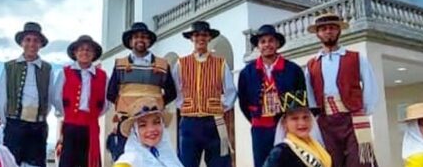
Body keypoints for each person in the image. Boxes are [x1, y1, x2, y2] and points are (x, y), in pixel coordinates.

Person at [304, 13, 378, 167]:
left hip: (353, 118)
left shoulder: (356, 58)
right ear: (317, 34)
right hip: (325, 120)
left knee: (359, 160)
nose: (328, 31)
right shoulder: (312, 64)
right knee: (330, 161)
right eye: (323, 29)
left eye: (332, 28)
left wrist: (364, 110)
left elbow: (370, 84)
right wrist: (315, 114)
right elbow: (309, 92)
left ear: (339, 31)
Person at [106, 22, 177, 161]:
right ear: (131, 41)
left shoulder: (162, 64)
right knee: (126, 157)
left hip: (153, 122)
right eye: (136, 37)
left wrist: (155, 106)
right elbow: (111, 92)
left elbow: (171, 92)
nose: (140, 40)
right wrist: (127, 108)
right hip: (127, 122)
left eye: (144, 37)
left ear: (149, 41)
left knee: (156, 158)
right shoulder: (120, 64)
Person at [238, 24, 306, 167]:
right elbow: (243, 103)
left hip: (287, 128)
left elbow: (302, 101)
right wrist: (256, 119)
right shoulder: (247, 73)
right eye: (263, 41)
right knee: (262, 164)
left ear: (277, 44)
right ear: (258, 46)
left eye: (271, 40)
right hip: (260, 130)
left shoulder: (293, 70)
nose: (267, 44)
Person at [173, 21, 236, 167]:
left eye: (204, 35)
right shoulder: (181, 63)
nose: (201, 38)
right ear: (191, 38)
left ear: (209, 38)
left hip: (213, 122)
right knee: (187, 162)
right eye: (197, 35)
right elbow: (176, 89)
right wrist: (185, 105)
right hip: (189, 122)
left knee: (219, 163)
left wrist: (221, 106)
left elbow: (231, 90)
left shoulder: (220, 63)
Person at [0, 22, 54, 167]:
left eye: (36, 40)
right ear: (22, 43)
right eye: (28, 40)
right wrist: (6, 121)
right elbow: (1, 96)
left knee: (36, 163)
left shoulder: (47, 68)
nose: (32, 44)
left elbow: (50, 96)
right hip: (14, 123)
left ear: (40, 44)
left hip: (38, 125)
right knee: (11, 162)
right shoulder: (10, 66)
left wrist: (41, 117)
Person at [52, 35, 108, 167]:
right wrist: (68, 113)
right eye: (81, 49)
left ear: (93, 54)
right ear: (75, 53)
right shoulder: (65, 72)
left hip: (91, 126)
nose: (85, 52)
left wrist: (93, 115)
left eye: (89, 50)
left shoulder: (103, 76)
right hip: (70, 124)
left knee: (87, 161)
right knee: (68, 160)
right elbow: (56, 97)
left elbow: (106, 102)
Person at [262, 90, 332, 167]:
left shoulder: (318, 147)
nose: (302, 123)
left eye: (305, 117)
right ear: (285, 123)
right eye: (294, 118)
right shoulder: (281, 152)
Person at [112, 96, 183, 167]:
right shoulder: (132, 158)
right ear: (134, 131)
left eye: (157, 122)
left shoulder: (166, 153)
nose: (151, 129)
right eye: (143, 125)